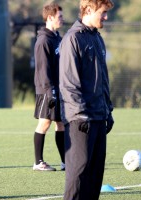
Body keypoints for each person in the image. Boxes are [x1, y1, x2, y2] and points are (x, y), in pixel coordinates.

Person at [59, 0, 114, 199]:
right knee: (78, 173)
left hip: (99, 116)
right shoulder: (73, 39)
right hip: (80, 119)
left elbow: (103, 79)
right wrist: (81, 115)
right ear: (89, 10)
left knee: (95, 174)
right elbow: (69, 82)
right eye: (104, 12)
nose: (106, 17)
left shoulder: (97, 39)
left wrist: (108, 110)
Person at [32, 2, 65, 171]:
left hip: (59, 89)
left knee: (61, 124)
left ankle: (65, 162)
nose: (62, 19)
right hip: (47, 89)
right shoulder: (44, 40)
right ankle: (38, 162)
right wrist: (50, 92)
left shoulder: (57, 37)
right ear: (50, 17)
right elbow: (43, 69)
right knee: (45, 123)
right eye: (60, 16)